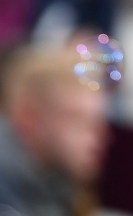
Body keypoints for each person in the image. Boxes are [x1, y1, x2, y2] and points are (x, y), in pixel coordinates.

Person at [0, 39, 113, 216]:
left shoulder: (56, 185)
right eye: (78, 119)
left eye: (99, 121)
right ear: (29, 118)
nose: (101, 135)